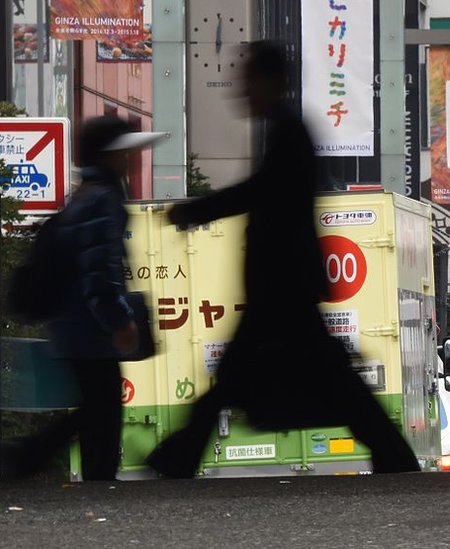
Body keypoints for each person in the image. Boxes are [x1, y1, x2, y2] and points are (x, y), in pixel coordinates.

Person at [145, 41, 419, 477]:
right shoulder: (287, 129)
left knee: (294, 376)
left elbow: (263, 192)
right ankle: (393, 454)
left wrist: (198, 210)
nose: (241, 90)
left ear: (272, 81)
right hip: (283, 283)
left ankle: (179, 456)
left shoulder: (290, 131)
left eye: (249, 79)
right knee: (317, 377)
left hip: (282, 283)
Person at [0, 116, 164, 481]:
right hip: (90, 328)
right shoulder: (103, 198)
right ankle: (35, 456)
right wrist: (119, 321)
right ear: (111, 155)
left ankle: (49, 461)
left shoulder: (85, 193)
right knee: (102, 409)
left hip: (72, 325)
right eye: (126, 151)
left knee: (96, 407)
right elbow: (98, 269)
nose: (132, 158)